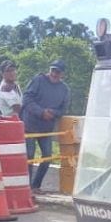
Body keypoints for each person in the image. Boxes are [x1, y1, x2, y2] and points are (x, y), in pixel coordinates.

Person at [22, 59, 70, 191]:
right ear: (49, 70)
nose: (54, 74)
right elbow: (26, 99)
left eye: (58, 72)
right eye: (53, 70)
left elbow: (63, 109)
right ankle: (26, 188)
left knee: (48, 156)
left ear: (62, 74)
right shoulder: (38, 80)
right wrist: (40, 112)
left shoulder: (64, 89)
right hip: (30, 126)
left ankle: (36, 186)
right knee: (29, 156)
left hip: (46, 128)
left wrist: (52, 113)